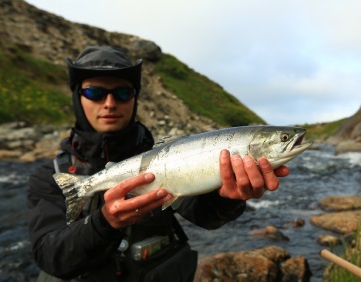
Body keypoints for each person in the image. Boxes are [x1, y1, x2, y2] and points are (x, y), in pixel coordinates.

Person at [27, 46, 289, 282]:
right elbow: (51, 258)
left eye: (122, 92)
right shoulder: (51, 175)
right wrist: (106, 222)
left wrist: (227, 198)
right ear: (78, 97)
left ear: (135, 97)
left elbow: (203, 215)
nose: (109, 103)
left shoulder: (165, 154)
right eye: (95, 92)